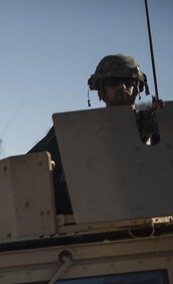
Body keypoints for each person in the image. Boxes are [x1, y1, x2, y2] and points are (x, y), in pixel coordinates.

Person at [29, 53, 155, 216]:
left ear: (138, 88)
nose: (122, 87)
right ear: (100, 91)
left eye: (128, 82)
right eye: (113, 82)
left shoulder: (154, 124)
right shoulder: (76, 129)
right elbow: (33, 164)